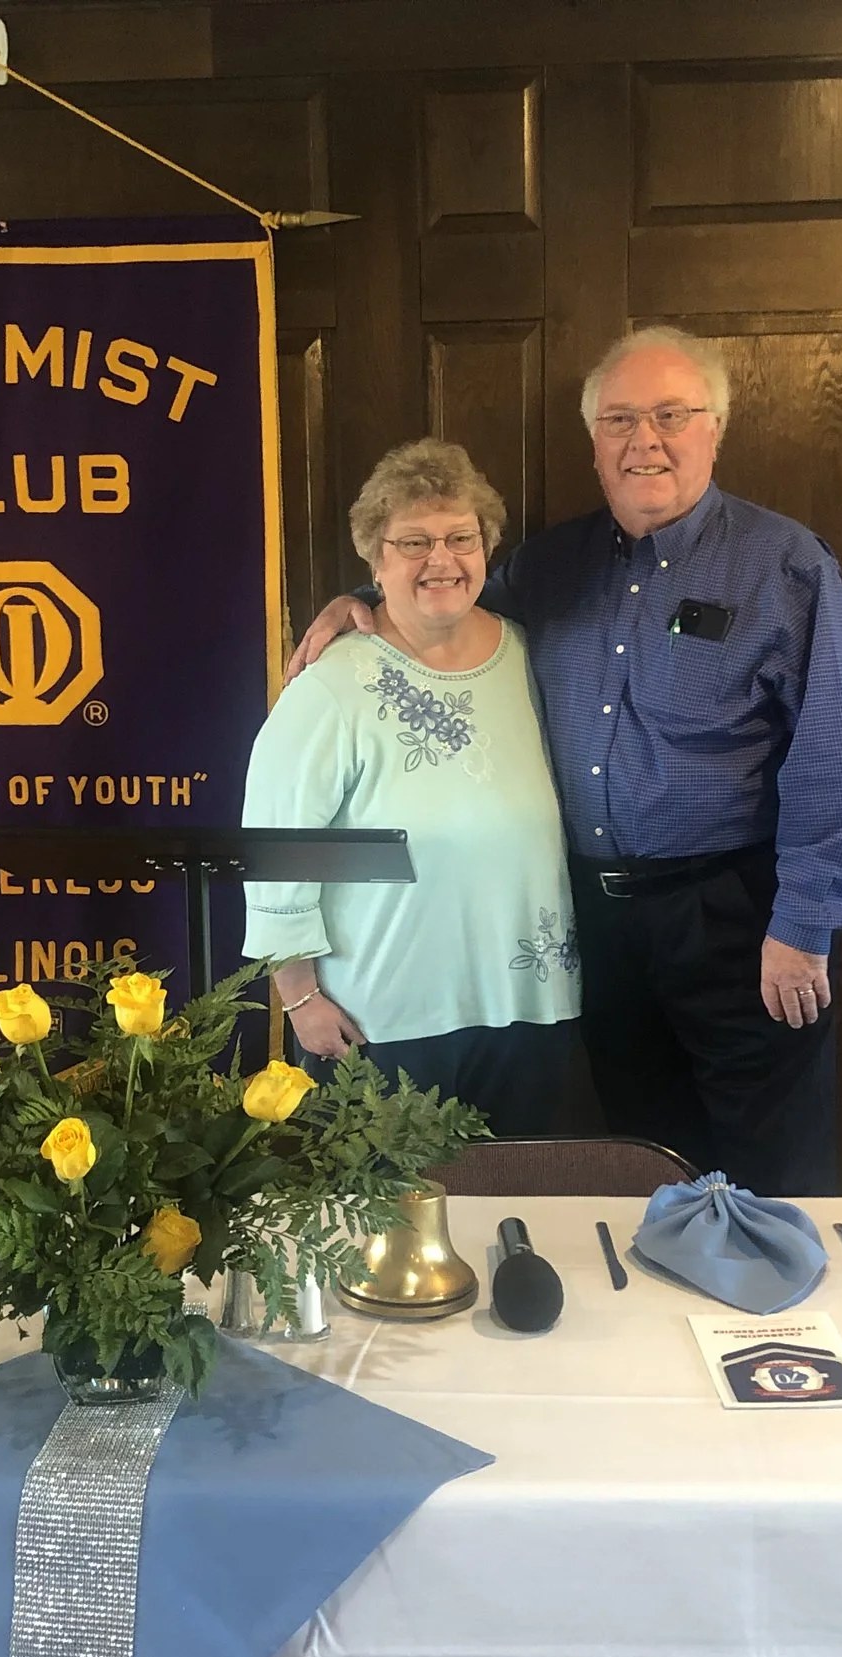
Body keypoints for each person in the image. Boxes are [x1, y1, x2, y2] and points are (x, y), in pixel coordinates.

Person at [288, 328, 842, 1193]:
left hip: (737, 920)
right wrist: (361, 600)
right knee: (646, 1154)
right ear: (595, 442)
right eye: (620, 419)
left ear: (715, 428)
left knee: (770, 1161)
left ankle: (777, 1323)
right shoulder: (548, 566)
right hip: (593, 927)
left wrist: (804, 927)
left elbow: (838, 754)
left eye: (671, 414)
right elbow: (440, 599)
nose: (646, 440)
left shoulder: (783, 564)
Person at [240, 439, 597, 1137]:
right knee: (388, 1231)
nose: (442, 559)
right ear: (376, 560)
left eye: (461, 537)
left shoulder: (529, 651)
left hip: (532, 1004)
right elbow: (275, 848)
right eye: (414, 542)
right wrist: (300, 996)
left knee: (529, 1217)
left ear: (486, 549)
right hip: (381, 1018)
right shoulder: (330, 683)